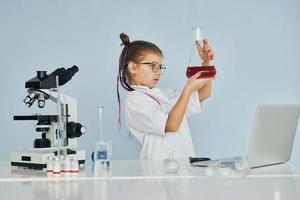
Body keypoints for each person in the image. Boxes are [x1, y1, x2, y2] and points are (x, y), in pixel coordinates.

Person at [117, 32, 215, 160]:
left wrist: (206, 62)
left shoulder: (163, 94)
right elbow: (171, 125)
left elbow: (203, 94)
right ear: (133, 67)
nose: (158, 72)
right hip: (159, 170)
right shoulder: (135, 101)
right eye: (153, 66)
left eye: (159, 67)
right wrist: (187, 89)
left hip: (182, 165)